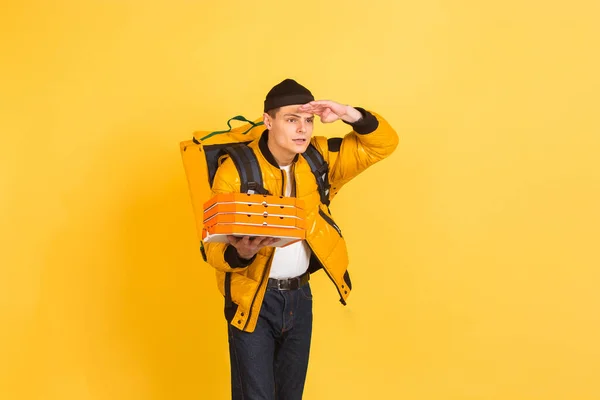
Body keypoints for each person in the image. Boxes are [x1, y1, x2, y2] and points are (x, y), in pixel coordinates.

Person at [205, 78, 399, 399]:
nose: (302, 130)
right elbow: (212, 247)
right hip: (253, 300)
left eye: (307, 120)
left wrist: (348, 113)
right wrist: (240, 253)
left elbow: (384, 144)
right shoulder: (236, 170)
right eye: (291, 119)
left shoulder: (317, 158)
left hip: (299, 299)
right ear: (269, 121)